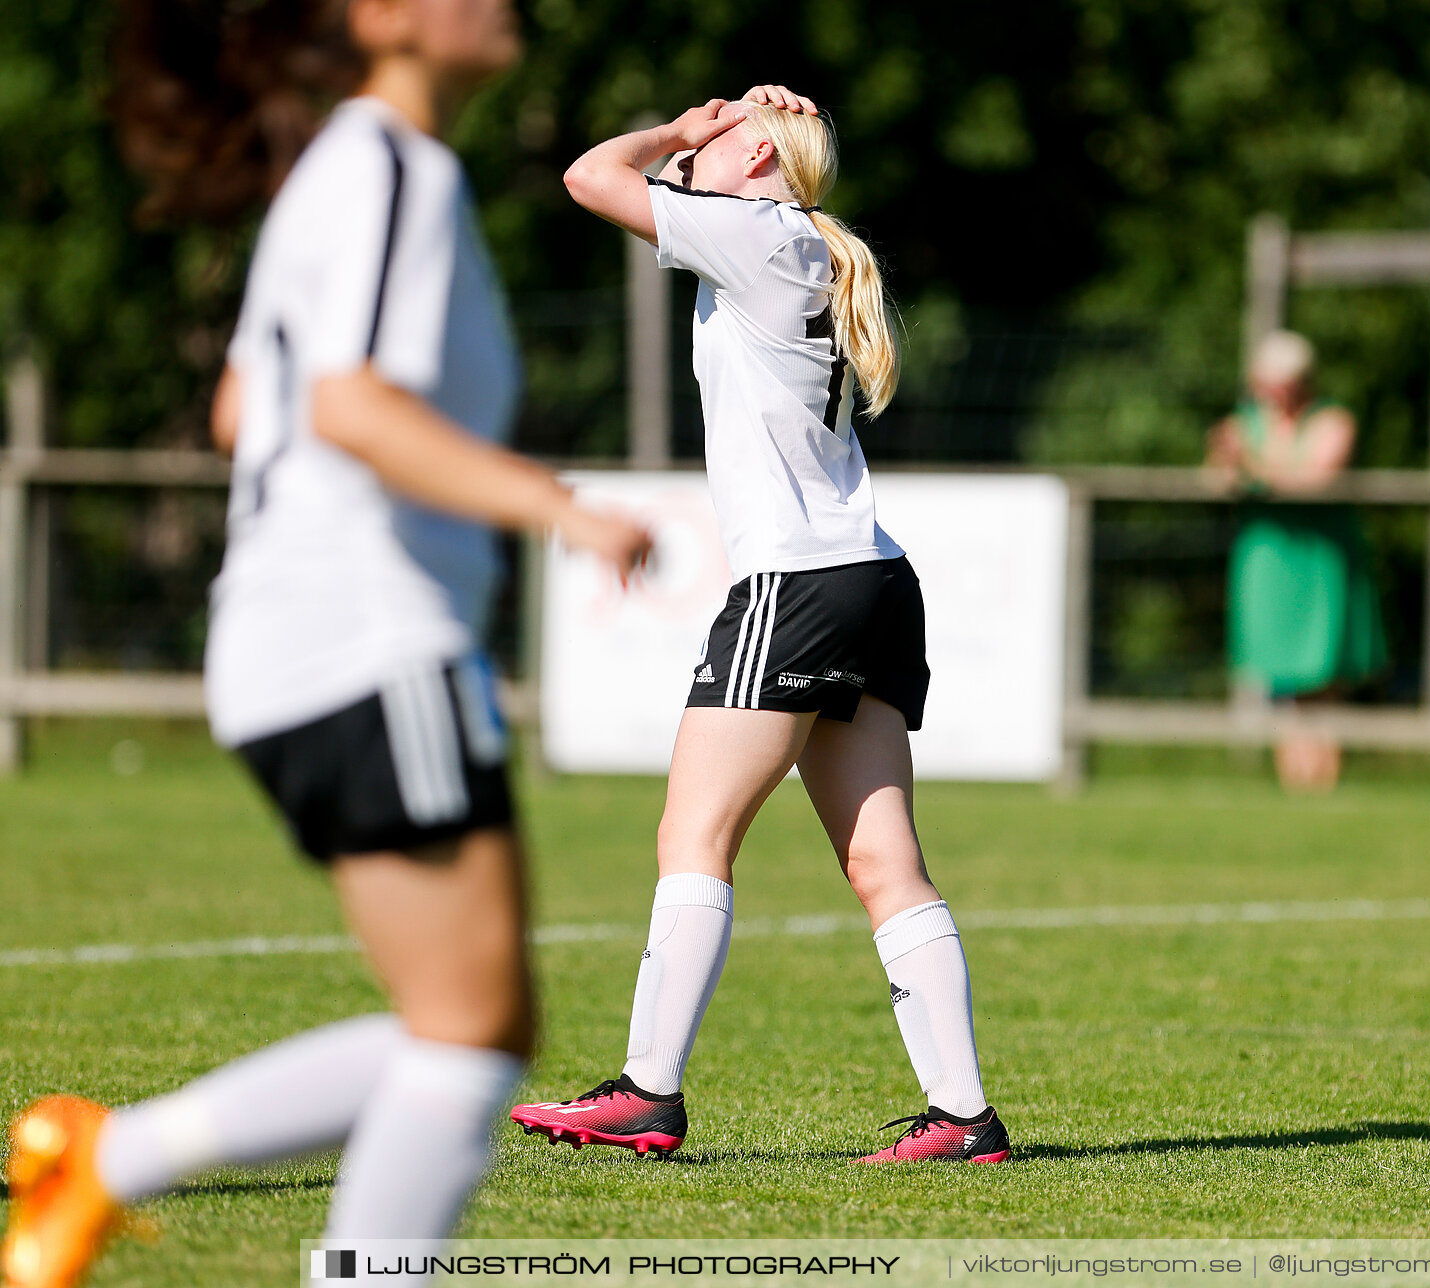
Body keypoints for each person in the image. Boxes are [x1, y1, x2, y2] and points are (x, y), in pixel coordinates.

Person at [1, 1, 652, 1285]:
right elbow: (348, 405)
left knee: (470, 1026)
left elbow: (250, 404)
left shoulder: (340, 172)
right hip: (364, 638)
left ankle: (103, 1160)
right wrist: (561, 509)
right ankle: (133, 1174)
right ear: (386, 19)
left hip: (313, 641)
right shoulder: (390, 166)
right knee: (469, 1040)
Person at [507, 87, 1010, 1165]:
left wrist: (683, 133)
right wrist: (717, 134)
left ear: (756, 161)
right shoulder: (783, 242)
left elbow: (592, 174)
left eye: (730, 126)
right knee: (885, 862)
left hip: (798, 581)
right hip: (871, 578)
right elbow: (648, 192)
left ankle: (648, 1091)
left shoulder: (754, 232)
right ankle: (964, 1117)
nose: (704, 125)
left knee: (693, 837)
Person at [1207, 330, 1386, 793]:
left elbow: (1316, 479)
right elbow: (1218, 477)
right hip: (1268, 560)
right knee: (1280, 677)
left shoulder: (1332, 421)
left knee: (1324, 673)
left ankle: (1323, 780)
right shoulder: (1244, 422)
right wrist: (1228, 463)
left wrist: (1252, 465)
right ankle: (1294, 783)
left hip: (1320, 560)